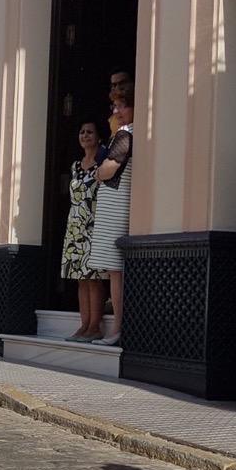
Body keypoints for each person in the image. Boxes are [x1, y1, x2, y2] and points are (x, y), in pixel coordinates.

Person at [87, 82, 135, 347]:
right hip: (115, 204)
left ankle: (117, 327)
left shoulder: (125, 134)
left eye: (122, 105)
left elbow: (107, 170)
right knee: (115, 270)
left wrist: (98, 172)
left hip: (116, 205)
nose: (116, 111)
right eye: (114, 106)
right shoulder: (126, 134)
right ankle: (117, 326)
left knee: (116, 270)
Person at [61, 120, 109, 341]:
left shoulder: (103, 163)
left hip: (95, 224)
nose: (85, 135)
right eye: (82, 132)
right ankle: (83, 326)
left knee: (94, 277)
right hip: (75, 227)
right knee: (80, 278)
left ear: (98, 137)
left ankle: (94, 327)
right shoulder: (75, 166)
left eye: (90, 132)